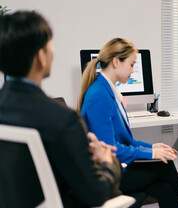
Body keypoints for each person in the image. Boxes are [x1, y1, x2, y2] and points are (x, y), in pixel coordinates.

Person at [0, 11, 121, 208]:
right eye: (50, 45)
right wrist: (107, 162)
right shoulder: (63, 119)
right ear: (41, 57)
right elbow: (94, 194)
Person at [78, 38, 178, 208]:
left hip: (117, 167)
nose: (133, 70)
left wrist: (152, 148)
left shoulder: (109, 91)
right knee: (164, 165)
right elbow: (110, 149)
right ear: (116, 62)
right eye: (131, 64)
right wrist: (152, 155)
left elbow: (127, 141)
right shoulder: (99, 95)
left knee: (164, 187)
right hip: (106, 175)